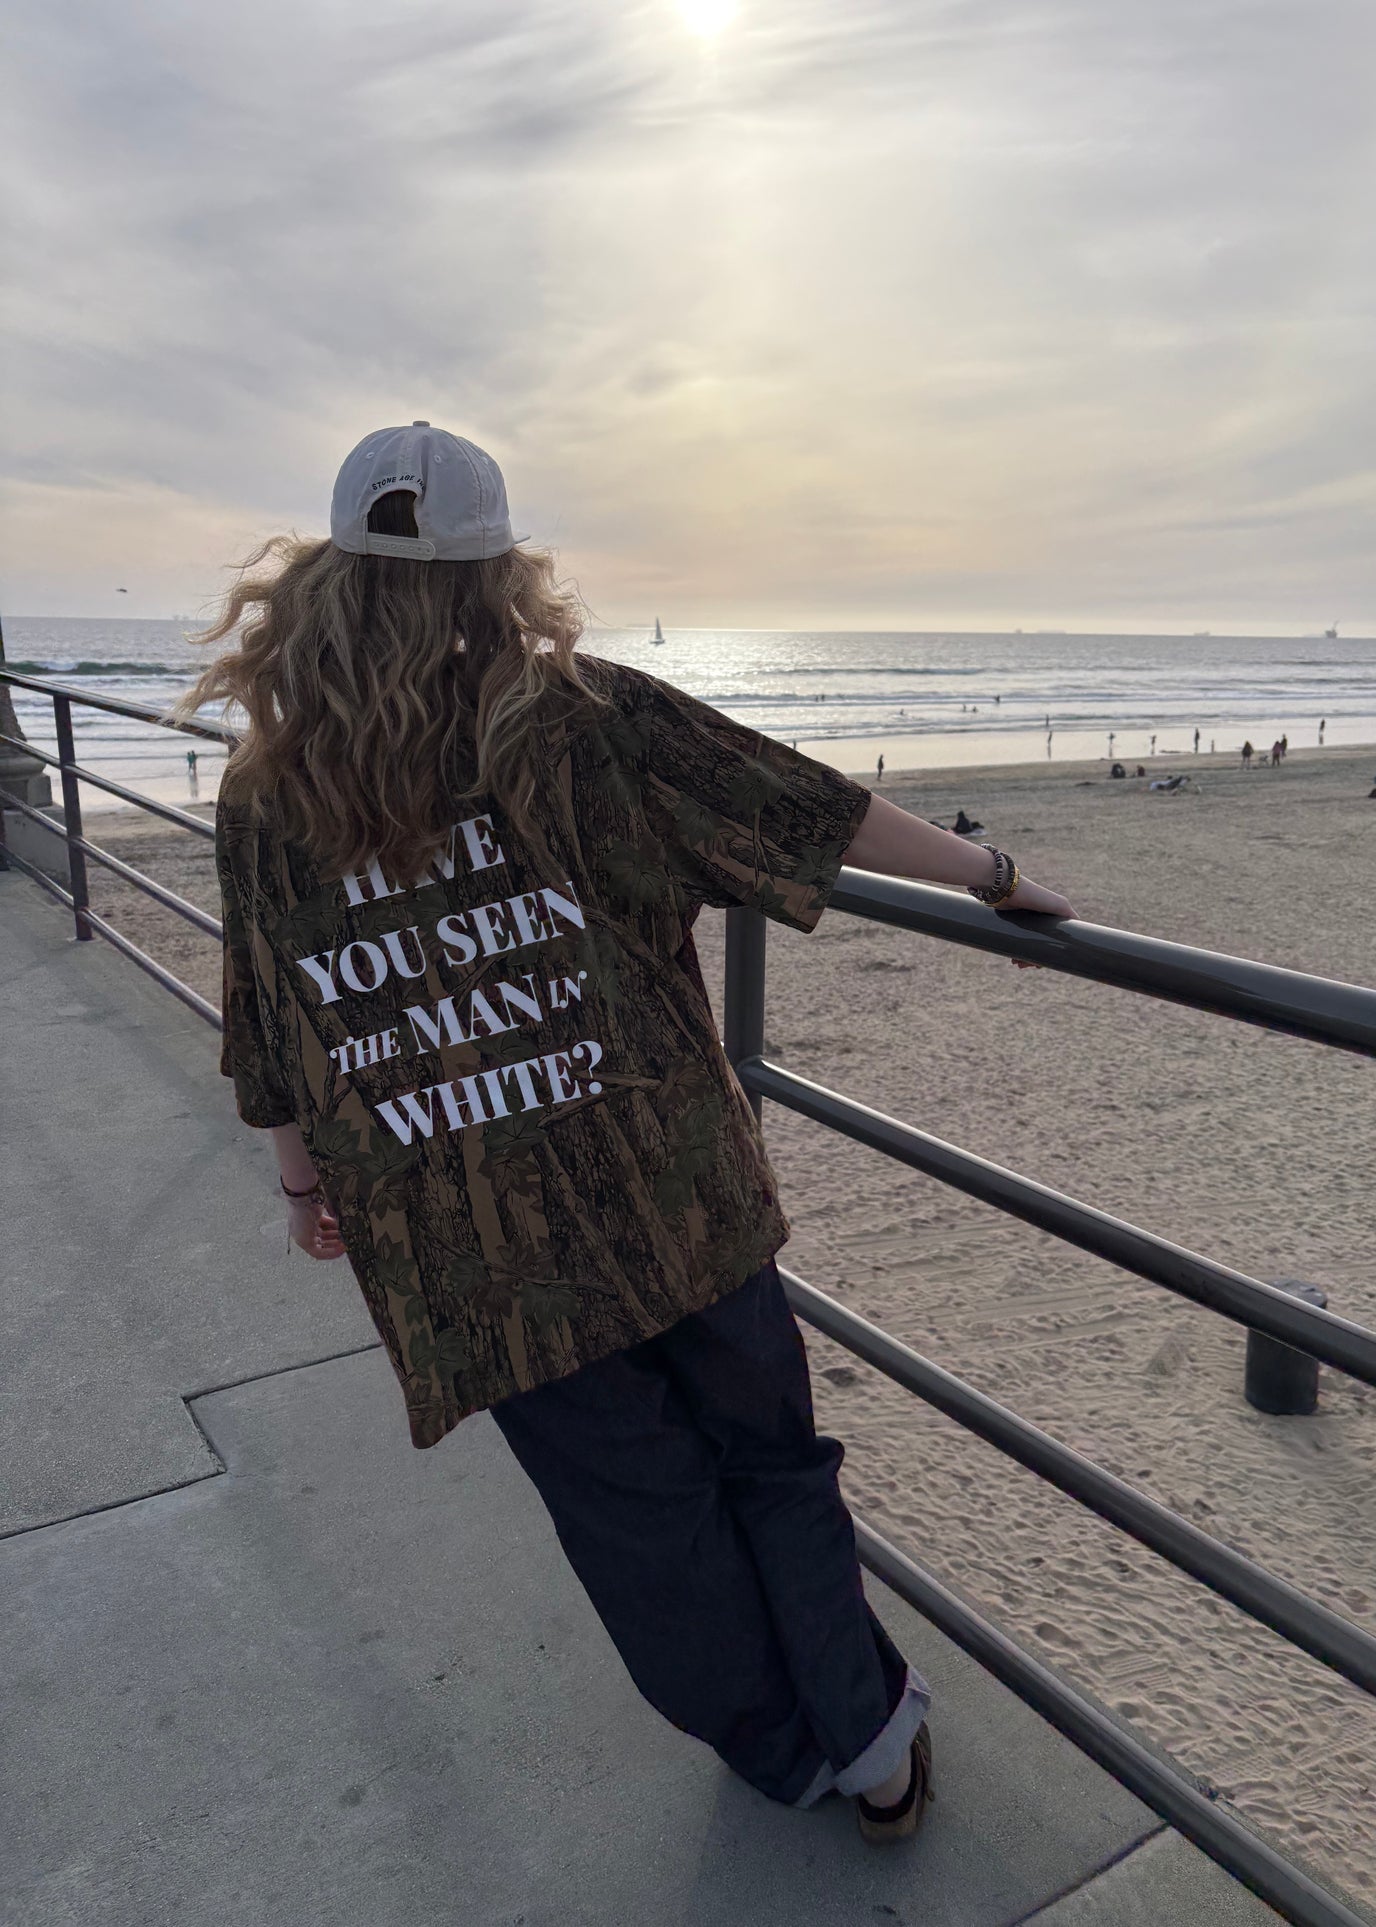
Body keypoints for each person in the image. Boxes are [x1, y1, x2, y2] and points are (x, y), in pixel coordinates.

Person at [170, 421, 1078, 1850]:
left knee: (637, 1521)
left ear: (326, 577)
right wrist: (994, 872)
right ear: (502, 573)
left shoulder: (265, 793)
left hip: (478, 1245)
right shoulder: (588, 718)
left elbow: (270, 1016)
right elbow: (809, 808)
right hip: (675, 1195)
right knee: (771, 1463)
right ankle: (868, 1746)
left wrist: (300, 1186)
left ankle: (780, 1750)